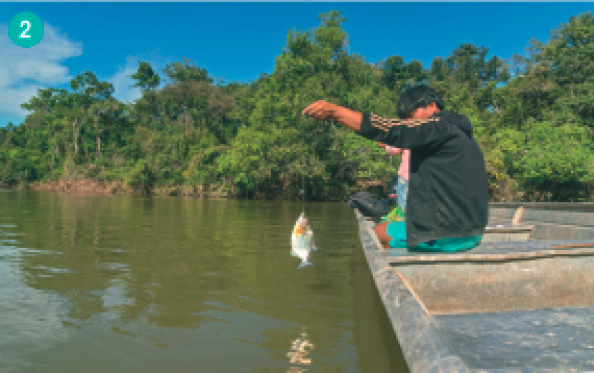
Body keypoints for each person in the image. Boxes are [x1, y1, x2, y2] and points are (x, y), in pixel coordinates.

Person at [302, 85, 489, 252]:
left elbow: (392, 129)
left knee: (373, 235)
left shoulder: (439, 126)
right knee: (392, 228)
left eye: (410, 116)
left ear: (431, 106)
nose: (408, 122)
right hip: (472, 233)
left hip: (448, 235)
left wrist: (336, 112)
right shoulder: (459, 135)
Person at [379, 143, 409, 212]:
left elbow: (393, 150)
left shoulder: (409, 133)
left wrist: (385, 144)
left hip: (406, 177)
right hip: (424, 178)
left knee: (403, 209)